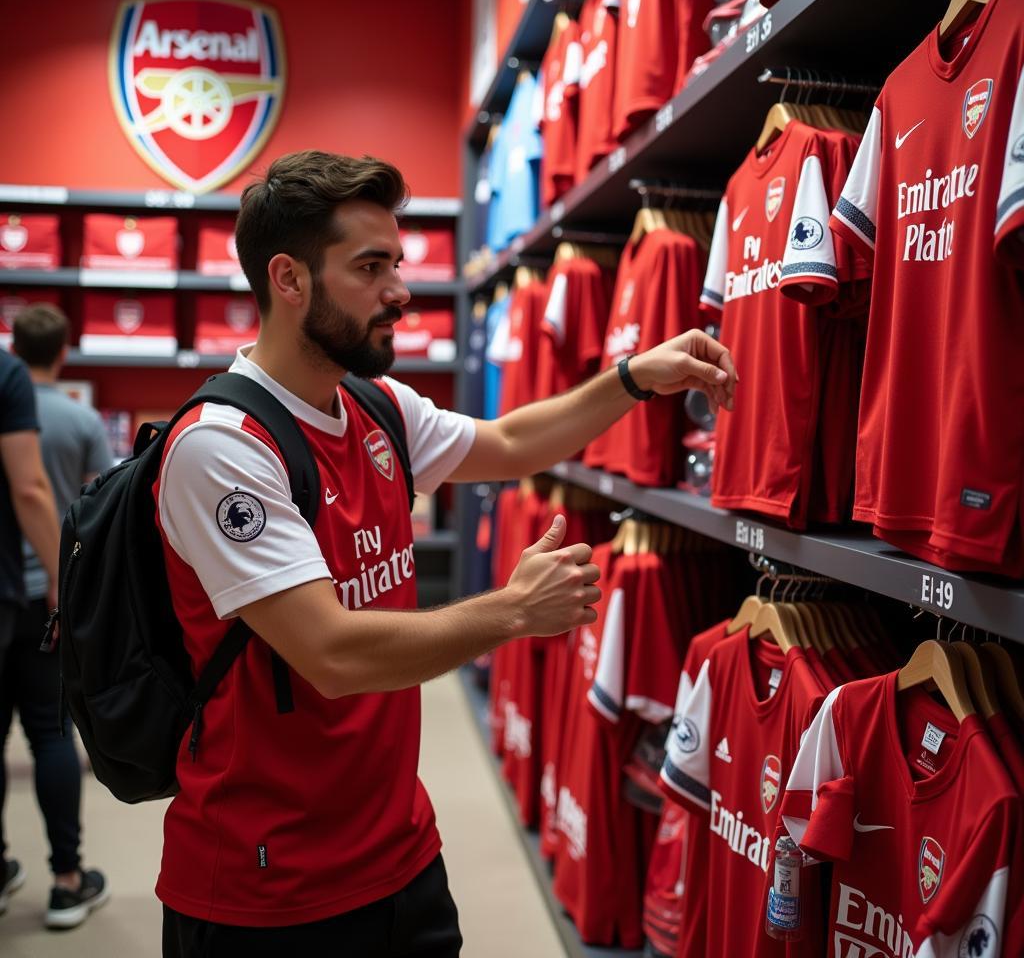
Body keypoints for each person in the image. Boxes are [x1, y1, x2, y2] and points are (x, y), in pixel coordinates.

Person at [155, 150, 736, 958]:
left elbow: (510, 440)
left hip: (400, 855)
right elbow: (330, 652)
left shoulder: (375, 405)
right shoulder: (220, 448)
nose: (400, 290)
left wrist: (634, 377)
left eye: (397, 262)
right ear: (288, 280)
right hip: (269, 891)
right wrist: (513, 612)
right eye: (370, 267)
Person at [1, 304, 113, 930]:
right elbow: (99, 508)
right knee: (51, 732)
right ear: (63, 351)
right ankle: (67, 882)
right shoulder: (81, 419)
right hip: (50, 590)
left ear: (15, 346)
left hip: (1, 588)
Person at [0, 341, 61, 920]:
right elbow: (30, 488)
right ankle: (67, 877)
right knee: (49, 731)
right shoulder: (6, 374)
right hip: (16, 592)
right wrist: (64, 581)